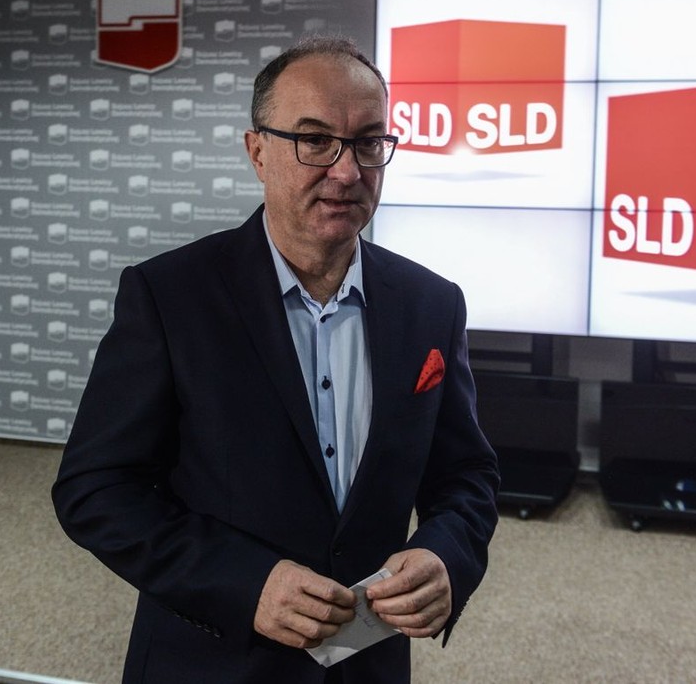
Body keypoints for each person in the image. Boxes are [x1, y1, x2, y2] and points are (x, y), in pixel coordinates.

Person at [52, 35, 500, 684]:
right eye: (314, 140)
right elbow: (95, 489)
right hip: (212, 663)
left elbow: (465, 474)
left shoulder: (432, 304)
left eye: (368, 142)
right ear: (257, 151)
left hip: (367, 664)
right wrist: (244, 582)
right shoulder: (169, 296)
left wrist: (447, 554)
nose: (346, 172)